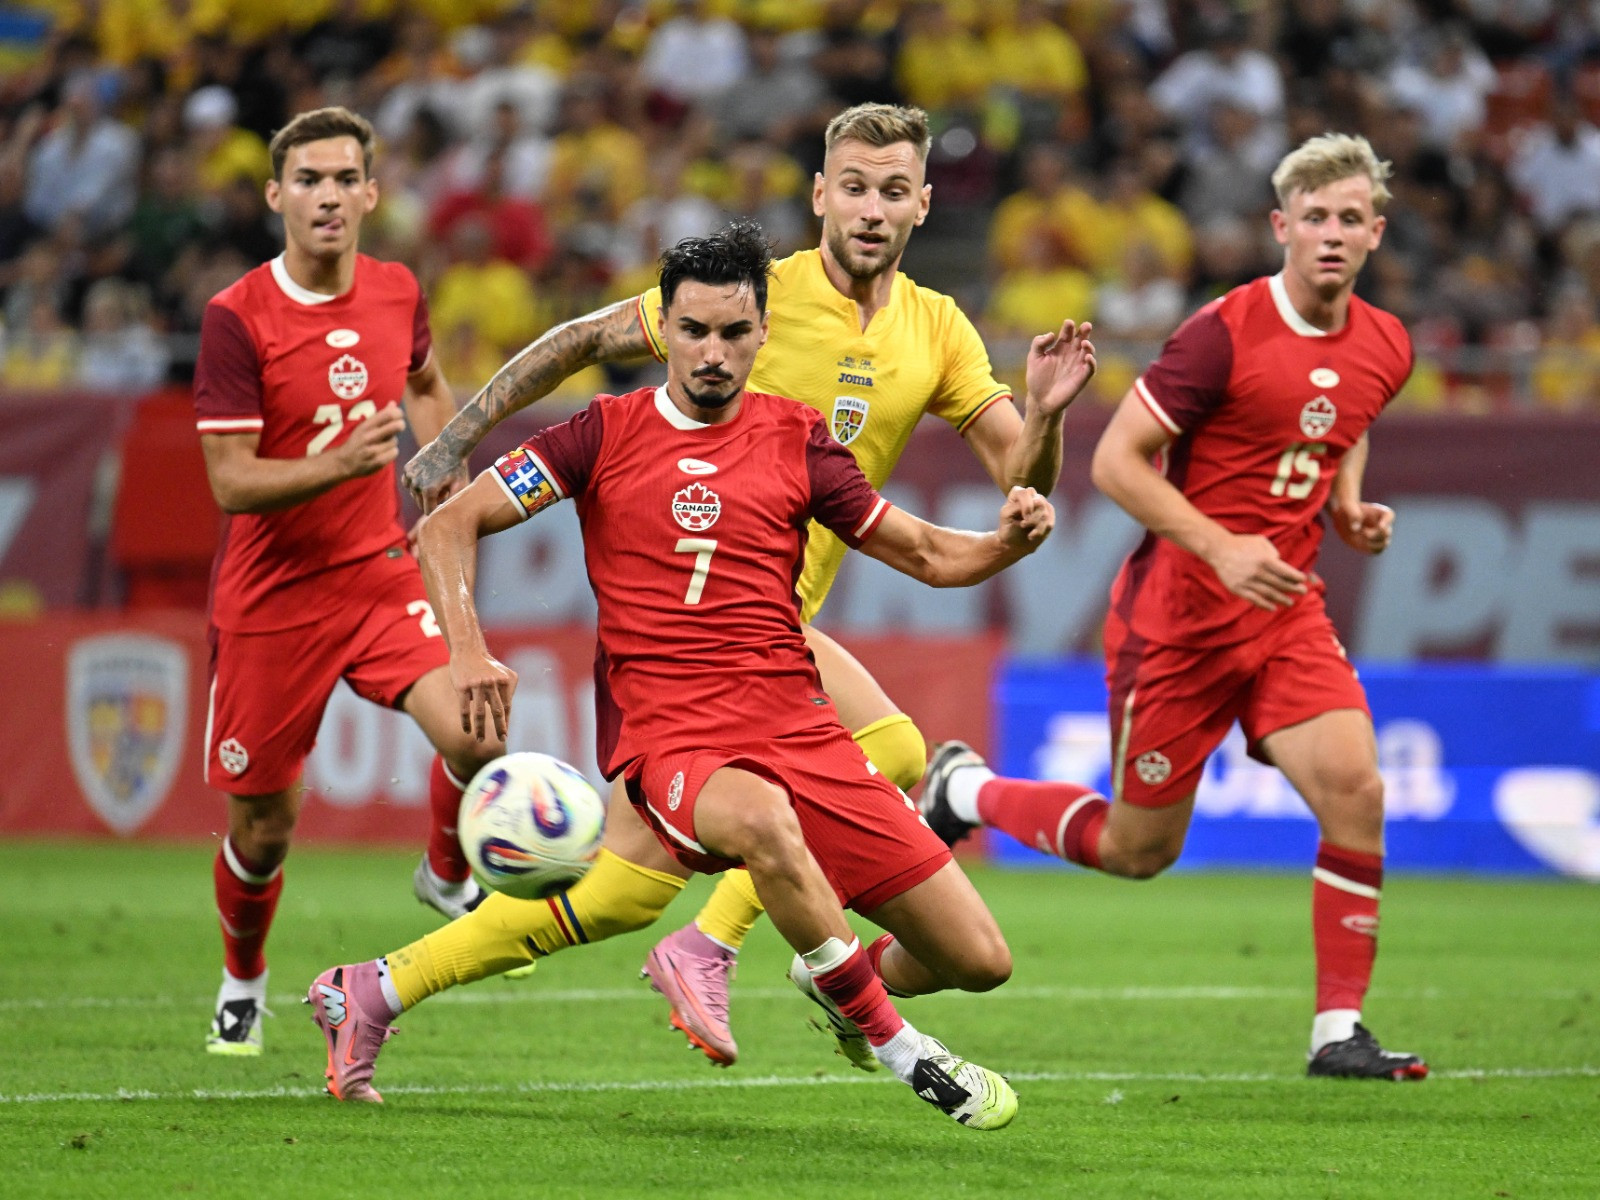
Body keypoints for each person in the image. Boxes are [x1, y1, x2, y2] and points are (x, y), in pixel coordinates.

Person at [307, 223, 1061, 1129]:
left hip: (795, 722)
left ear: (763, 333)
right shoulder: (599, 434)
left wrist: (1005, 542)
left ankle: (371, 990)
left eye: (734, 333)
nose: (713, 353)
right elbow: (445, 526)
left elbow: (932, 556)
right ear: (662, 328)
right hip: (669, 731)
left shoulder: (800, 440)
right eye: (694, 331)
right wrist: (466, 647)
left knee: (977, 958)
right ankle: (902, 1049)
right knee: (762, 823)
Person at [401, 102, 1096, 1066]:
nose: (869, 208)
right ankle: (724, 949)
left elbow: (1022, 477)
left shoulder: (938, 329)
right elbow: (578, 342)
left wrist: (1051, 419)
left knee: (621, 891)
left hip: (782, 633)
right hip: (696, 628)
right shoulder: (745, 298)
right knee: (890, 748)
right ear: (820, 194)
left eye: (893, 191)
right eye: (852, 186)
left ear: (924, 206)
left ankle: (380, 987)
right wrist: (458, 437)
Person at [916, 133, 1430, 1082]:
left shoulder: (1388, 343)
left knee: (1358, 791)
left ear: (1374, 232)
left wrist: (1348, 503)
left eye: (1349, 218)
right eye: (1313, 217)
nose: (1330, 233)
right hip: (1179, 621)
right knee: (1138, 848)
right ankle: (962, 792)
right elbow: (1117, 462)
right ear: (1281, 227)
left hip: (1286, 613)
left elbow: (1343, 423)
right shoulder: (1222, 333)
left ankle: (1337, 1032)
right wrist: (1222, 546)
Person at [192, 106, 506, 1056]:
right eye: (310, 180)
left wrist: (440, 457)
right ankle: (243, 976)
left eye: (345, 179)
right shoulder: (236, 318)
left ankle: (447, 874)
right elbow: (230, 481)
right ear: (276, 194)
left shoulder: (397, 288)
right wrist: (344, 462)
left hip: (376, 572)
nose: (328, 196)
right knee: (265, 832)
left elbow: (421, 380)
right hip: (272, 597)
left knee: (476, 724)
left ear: (371, 193)